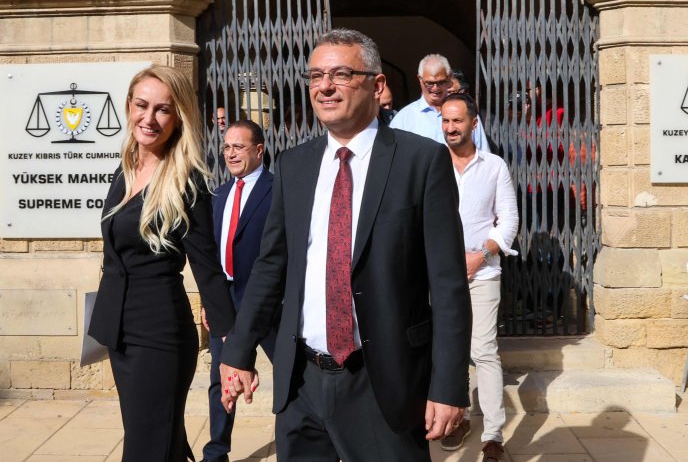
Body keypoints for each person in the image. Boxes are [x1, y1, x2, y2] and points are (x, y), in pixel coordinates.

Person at [218, 28, 472, 461]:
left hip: (383, 381)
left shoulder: (420, 162)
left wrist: (448, 386)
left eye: (340, 73)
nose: (325, 86)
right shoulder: (294, 165)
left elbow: (447, 285)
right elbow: (271, 266)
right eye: (315, 75)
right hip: (302, 383)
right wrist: (238, 351)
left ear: (376, 85)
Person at [87, 66, 235, 462]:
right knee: (159, 444)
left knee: (146, 448)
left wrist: (234, 350)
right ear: (129, 106)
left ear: (179, 116)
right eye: (142, 105)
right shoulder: (126, 169)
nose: (149, 119)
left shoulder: (187, 182)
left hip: (159, 336)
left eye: (163, 110)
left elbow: (208, 270)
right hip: (119, 330)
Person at [438, 93, 519, 462]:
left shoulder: (494, 166)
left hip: (482, 273)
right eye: (445, 121)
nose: (451, 128)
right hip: (436, 276)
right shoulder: (431, 163)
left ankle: (493, 437)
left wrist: (480, 256)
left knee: (483, 351)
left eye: (457, 121)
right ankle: (457, 418)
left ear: (474, 123)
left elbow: (509, 222)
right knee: (445, 350)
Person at [202, 119, 277, 462]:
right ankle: (217, 451)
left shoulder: (279, 191)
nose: (230, 154)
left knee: (295, 378)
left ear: (259, 150)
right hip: (226, 304)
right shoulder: (218, 194)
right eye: (227, 147)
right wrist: (209, 302)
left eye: (239, 147)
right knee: (221, 380)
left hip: (269, 303)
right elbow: (211, 255)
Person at [390, 54, 488, 150]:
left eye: (441, 82)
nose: (435, 88)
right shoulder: (404, 118)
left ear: (449, 78)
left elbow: (484, 157)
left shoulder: (467, 112)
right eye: (430, 83)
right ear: (420, 79)